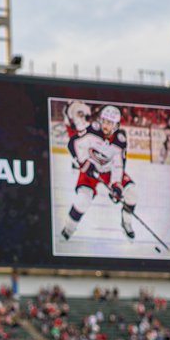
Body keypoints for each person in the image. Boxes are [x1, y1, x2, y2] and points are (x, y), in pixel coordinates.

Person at [60, 102, 139, 243]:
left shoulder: (120, 140)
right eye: (104, 121)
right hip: (90, 168)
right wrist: (83, 162)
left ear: (116, 125)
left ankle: (126, 221)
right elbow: (73, 143)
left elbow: (118, 165)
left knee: (132, 193)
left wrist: (116, 185)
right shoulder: (93, 130)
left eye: (110, 122)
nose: (105, 125)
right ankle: (69, 228)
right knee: (83, 200)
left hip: (108, 171)